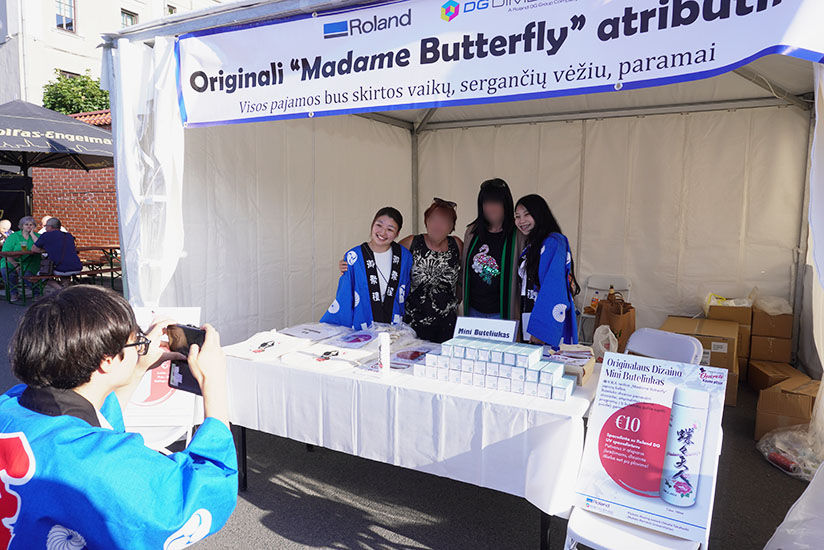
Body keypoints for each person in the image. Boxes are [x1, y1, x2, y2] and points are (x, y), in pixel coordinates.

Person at [0, 285, 237, 548]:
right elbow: (204, 491)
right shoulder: (98, 464)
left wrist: (137, 368)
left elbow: (94, 425)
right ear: (107, 361)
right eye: (137, 342)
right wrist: (213, 384)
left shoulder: (12, 403)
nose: (141, 347)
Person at [338, 199, 464, 343]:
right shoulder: (412, 242)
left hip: (447, 321)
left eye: (444, 222)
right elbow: (383, 252)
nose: (437, 225)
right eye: (433, 219)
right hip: (413, 322)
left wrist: (459, 296)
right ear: (426, 221)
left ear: (452, 226)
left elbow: (465, 273)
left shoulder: (457, 245)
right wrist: (351, 262)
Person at [322, 207, 413, 329]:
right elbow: (345, 294)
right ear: (372, 225)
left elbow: (407, 289)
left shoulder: (404, 256)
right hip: (362, 326)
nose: (383, 232)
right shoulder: (354, 256)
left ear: (397, 234)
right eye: (379, 225)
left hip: (394, 327)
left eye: (390, 229)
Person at [514, 194, 580, 347]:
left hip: (545, 323)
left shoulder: (553, 242)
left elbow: (554, 288)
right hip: (531, 315)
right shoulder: (532, 244)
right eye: (517, 216)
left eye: (527, 214)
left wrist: (541, 331)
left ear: (539, 213)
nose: (521, 221)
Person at [461, 178, 523, 320]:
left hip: (503, 313)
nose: (490, 208)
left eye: (496, 202)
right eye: (486, 202)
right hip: (473, 311)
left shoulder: (518, 235)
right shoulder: (472, 232)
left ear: (506, 203)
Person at [32, 217, 82, 289]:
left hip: (60, 268)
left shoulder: (46, 235)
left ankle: (60, 290)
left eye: (46, 226)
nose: (45, 228)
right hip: (77, 266)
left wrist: (45, 250)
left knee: (42, 275)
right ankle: (66, 289)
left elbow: (34, 249)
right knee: (65, 274)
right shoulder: (68, 235)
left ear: (50, 227)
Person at [1, 216, 41, 302]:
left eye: (31, 225)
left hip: (30, 262)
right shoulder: (13, 236)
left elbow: (41, 247)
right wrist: (16, 265)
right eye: (26, 224)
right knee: (6, 271)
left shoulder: (38, 236)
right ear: (21, 226)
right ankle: (13, 293)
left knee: (27, 274)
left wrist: (32, 234)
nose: (29, 226)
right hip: (11, 260)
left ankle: (36, 293)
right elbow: (6, 252)